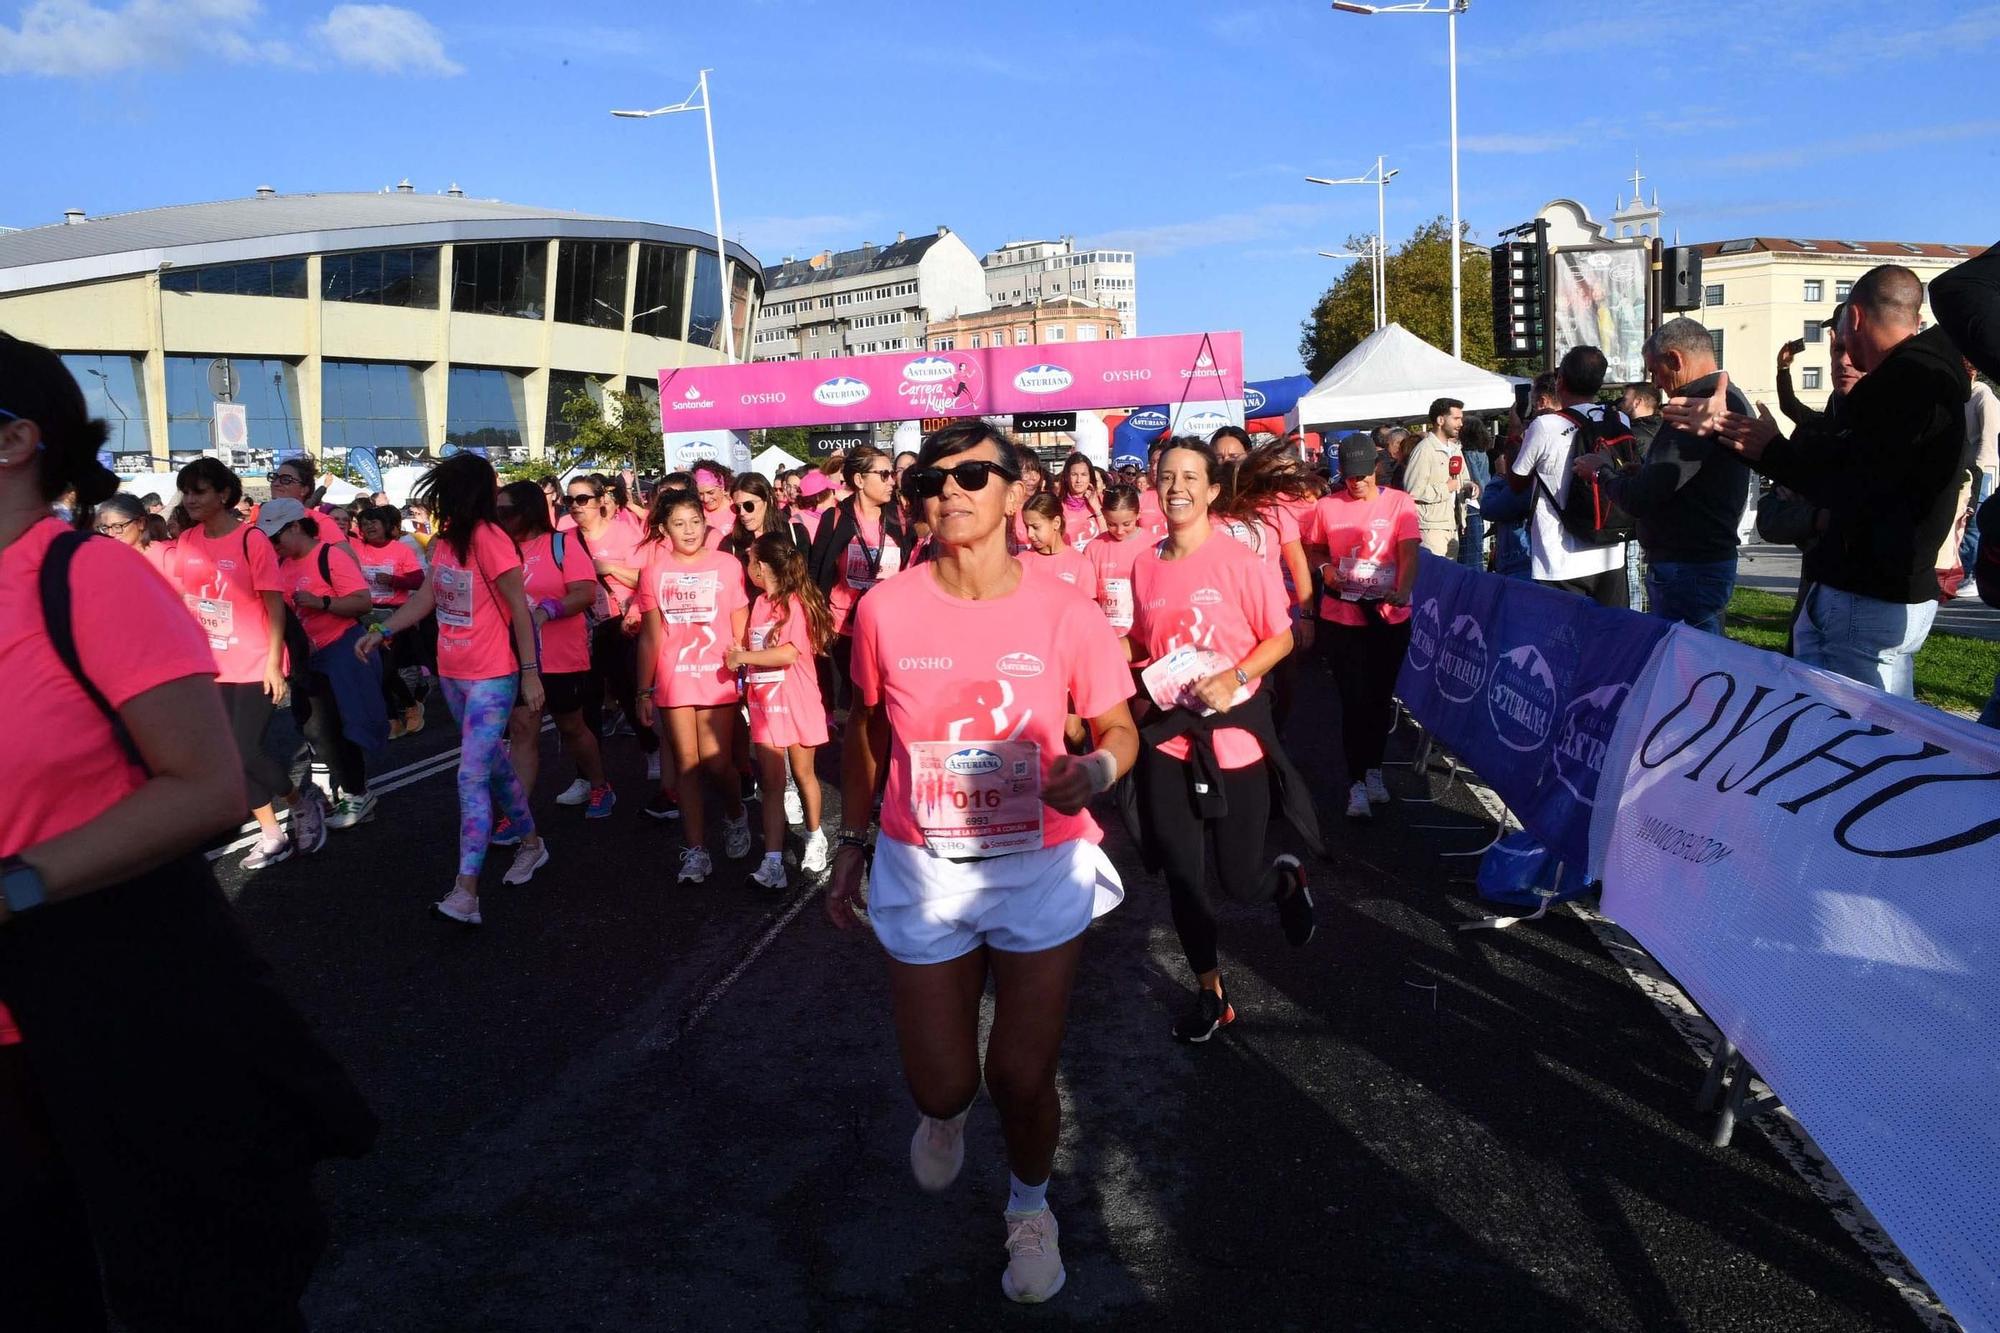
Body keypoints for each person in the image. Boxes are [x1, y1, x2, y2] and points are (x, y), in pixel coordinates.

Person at [0, 333, 375, 1331]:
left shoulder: (83, 578)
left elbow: (206, 785)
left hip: (99, 993)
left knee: (186, 1283)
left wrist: (15, 886)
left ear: (15, 442)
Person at [825, 421, 1137, 1306]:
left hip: (1040, 865)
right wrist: (851, 843)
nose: (948, 490)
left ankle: (1030, 1208)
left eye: (973, 474)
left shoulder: (1064, 609)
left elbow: (1119, 729)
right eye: (931, 478)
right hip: (923, 863)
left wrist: (1095, 771)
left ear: (1016, 491)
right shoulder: (886, 607)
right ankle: (943, 1112)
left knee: (1021, 1073)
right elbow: (864, 730)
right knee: (946, 1079)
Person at [1687, 265, 1970, 697]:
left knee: (1861, 738)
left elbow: (1854, 484)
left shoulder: (1903, 384)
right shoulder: (1921, 378)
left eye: (1840, 337)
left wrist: (1773, 452)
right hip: (1868, 589)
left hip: (1868, 593)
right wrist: (1753, 442)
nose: (1845, 357)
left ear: (1854, 318)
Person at [1126, 436, 1316, 1044]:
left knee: (1238, 880)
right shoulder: (1143, 562)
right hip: (1168, 742)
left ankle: (1285, 882)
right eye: (1167, 477)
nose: (1176, 487)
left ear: (1212, 491)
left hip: (1234, 738)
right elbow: (1139, 644)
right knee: (1183, 877)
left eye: (1190, 477)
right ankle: (1211, 994)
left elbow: (1279, 638)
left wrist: (1234, 675)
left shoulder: (1241, 562)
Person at [357, 454, 550, 924]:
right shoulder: (444, 542)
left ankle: (466, 892)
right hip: (453, 674)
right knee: (497, 768)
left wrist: (529, 672)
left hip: (492, 676)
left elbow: (519, 611)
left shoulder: (490, 539)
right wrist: (385, 631)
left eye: (445, 490)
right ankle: (532, 843)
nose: (437, 499)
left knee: (470, 776)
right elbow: (427, 597)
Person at [169, 456, 329, 870]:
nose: (189, 499)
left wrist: (275, 664)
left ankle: (299, 804)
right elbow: (184, 601)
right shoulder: (187, 541)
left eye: (198, 491)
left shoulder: (251, 540)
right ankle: (272, 833)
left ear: (224, 494)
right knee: (229, 756)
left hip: (256, 659)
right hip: (212, 665)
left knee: (242, 750)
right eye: (186, 491)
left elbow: (275, 609)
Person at [1578, 319, 1752, 634]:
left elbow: (1641, 498)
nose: (1655, 384)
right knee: (1696, 662)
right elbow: (1683, 478)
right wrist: (1642, 473)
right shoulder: (1721, 399)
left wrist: (1600, 473)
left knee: (1691, 668)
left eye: (1655, 371)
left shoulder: (1700, 406)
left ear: (1675, 359)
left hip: (1688, 566)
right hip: (1698, 560)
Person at [635, 488, 753, 883]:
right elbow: (651, 636)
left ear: (707, 524)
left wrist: (746, 670)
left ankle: (736, 814)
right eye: (679, 524)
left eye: (696, 522)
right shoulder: (653, 571)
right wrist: (643, 689)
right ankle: (696, 850)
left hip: (717, 674)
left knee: (717, 762)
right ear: (664, 528)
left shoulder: (726, 565)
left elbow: (740, 620)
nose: (689, 531)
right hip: (674, 675)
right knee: (686, 763)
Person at [1305, 433, 1422, 819]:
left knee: (1378, 700)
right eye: (1350, 476)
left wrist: (1403, 590)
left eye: (1363, 475)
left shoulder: (1399, 502)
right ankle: (1355, 782)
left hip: (1388, 617)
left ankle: (1373, 770)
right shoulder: (1326, 507)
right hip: (1342, 618)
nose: (1357, 483)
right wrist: (1325, 569)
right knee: (1353, 700)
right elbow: (1313, 547)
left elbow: (1408, 551)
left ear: (1377, 467)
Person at [495, 481, 615, 821]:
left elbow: (585, 593)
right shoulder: (499, 549)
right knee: (522, 730)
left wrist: (549, 610)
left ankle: (599, 784)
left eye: (505, 511)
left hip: (561, 657)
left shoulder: (561, 544)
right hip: (516, 657)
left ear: (527, 510)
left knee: (571, 727)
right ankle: (516, 814)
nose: (499, 518)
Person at [264, 497, 386, 829]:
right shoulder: (281, 563)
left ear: (294, 528)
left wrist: (322, 602)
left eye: (275, 538)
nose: (272, 545)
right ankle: (351, 790)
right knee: (314, 730)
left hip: (341, 651)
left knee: (343, 727)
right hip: (307, 657)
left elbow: (363, 602)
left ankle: (357, 794)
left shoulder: (330, 555)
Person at [727, 534, 832, 889]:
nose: (747, 566)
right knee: (771, 785)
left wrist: (742, 657)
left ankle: (815, 836)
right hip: (766, 705)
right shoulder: (759, 604)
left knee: (804, 775)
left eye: (750, 560)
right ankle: (772, 861)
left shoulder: (795, 604)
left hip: (797, 701)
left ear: (763, 566)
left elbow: (788, 653)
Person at [1507, 345, 1630, 608]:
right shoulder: (1619, 418)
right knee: (1611, 641)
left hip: (1560, 558)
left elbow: (1516, 482)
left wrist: (1515, 434)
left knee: (1564, 644)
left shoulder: (1545, 426)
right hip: (1611, 551)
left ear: (1560, 380)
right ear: (1600, 383)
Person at [566, 473, 661, 793]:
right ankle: (587, 777)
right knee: (586, 706)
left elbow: (644, 580)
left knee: (628, 691)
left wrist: (607, 568)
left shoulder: (623, 533)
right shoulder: (565, 537)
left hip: (620, 624)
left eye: (582, 499)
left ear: (599, 501)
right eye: (570, 500)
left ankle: (652, 749)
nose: (576, 506)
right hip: (581, 629)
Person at [807, 446, 909, 706]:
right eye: (884, 475)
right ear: (860, 480)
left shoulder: (899, 517)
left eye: (892, 474)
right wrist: (817, 625)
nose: (891, 481)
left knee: (884, 701)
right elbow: (816, 572)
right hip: (842, 629)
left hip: (887, 628)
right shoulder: (835, 518)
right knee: (853, 705)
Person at [355, 503, 429, 737]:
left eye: (373, 522)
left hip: (394, 616)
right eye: (364, 524)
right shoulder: (356, 548)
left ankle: (410, 706)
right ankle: (392, 718)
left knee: (387, 669)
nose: (369, 527)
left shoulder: (401, 551)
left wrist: (394, 580)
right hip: (366, 614)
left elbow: (418, 581)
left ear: (385, 526)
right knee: (375, 669)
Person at [1402, 397, 1470, 557]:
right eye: (1456, 418)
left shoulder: (1455, 449)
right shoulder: (1424, 450)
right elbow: (1412, 492)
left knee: (1449, 579)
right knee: (1436, 578)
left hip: (1453, 525)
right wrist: (1445, 488)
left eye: (1461, 419)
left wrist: (1470, 487)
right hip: (1431, 529)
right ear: (1440, 420)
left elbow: (1463, 480)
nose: (1461, 424)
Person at [1956, 359, 1997, 590]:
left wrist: (1980, 472)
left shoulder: (1983, 396)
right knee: (1963, 520)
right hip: (1966, 470)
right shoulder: (1961, 397)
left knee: (1974, 523)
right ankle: (1965, 571)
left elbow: (1989, 437)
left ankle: (1971, 574)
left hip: (1983, 470)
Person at [1083, 484, 1147, 631]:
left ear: (1138, 514)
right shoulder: (1094, 548)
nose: (1119, 531)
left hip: (1143, 634)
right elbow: (1088, 598)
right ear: (1103, 515)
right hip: (1107, 633)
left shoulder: (1152, 545)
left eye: (1127, 524)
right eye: (1111, 524)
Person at [1021, 493, 1097, 593]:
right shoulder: (1020, 563)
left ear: (1056, 523)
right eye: (1027, 527)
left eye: (1035, 527)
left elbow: (1088, 606)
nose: (1030, 534)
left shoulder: (1081, 565)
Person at [93, 491, 174, 581]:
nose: (111, 534)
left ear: (141, 523)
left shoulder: (165, 557)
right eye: (106, 528)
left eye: (117, 526)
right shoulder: (109, 561)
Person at [693, 462, 735, 548]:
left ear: (722, 487)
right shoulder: (696, 512)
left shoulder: (737, 508)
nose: (706, 499)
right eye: (700, 494)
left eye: (710, 492)